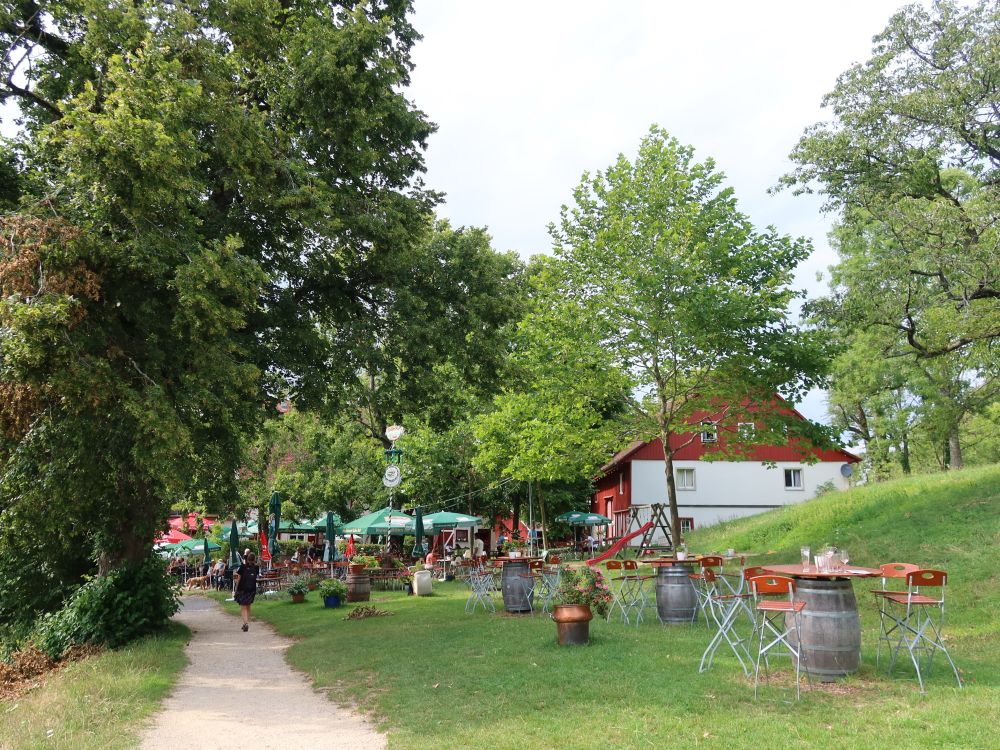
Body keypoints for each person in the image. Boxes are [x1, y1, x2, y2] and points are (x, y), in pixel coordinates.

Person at [233, 551, 260, 632]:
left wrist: (236, 588)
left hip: (242, 589)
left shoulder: (242, 567)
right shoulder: (256, 568)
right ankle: (246, 622)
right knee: (248, 606)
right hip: (252, 590)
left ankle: (245, 623)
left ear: (247, 559)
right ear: (254, 559)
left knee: (243, 607)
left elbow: (238, 578)